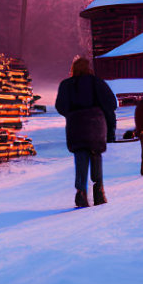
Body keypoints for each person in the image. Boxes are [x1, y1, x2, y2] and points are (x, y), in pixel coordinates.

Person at [55, 56, 117, 208]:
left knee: (80, 156)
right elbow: (111, 104)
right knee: (96, 155)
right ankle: (99, 192)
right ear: (89, 68)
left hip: (76, 126)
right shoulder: (96, 82)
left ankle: (81, 192)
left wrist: (71, 114)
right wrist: (109, 128)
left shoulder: (66, 85)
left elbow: (60, 106)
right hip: (95, 124)